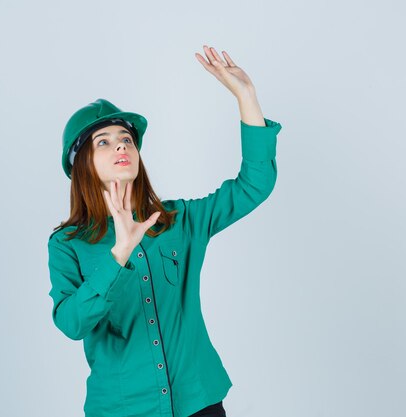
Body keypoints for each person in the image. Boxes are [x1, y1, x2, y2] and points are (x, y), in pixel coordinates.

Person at [47, 45, 283, 417]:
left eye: (125, 139)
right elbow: (72, 322)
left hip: (199, 402)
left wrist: (246, 96)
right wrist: (119, 253)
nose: (120, 146)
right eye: (103, 142)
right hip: (123, 409)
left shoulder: (177, 220)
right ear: (82, 165)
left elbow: (255, 183)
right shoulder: (66, 244)